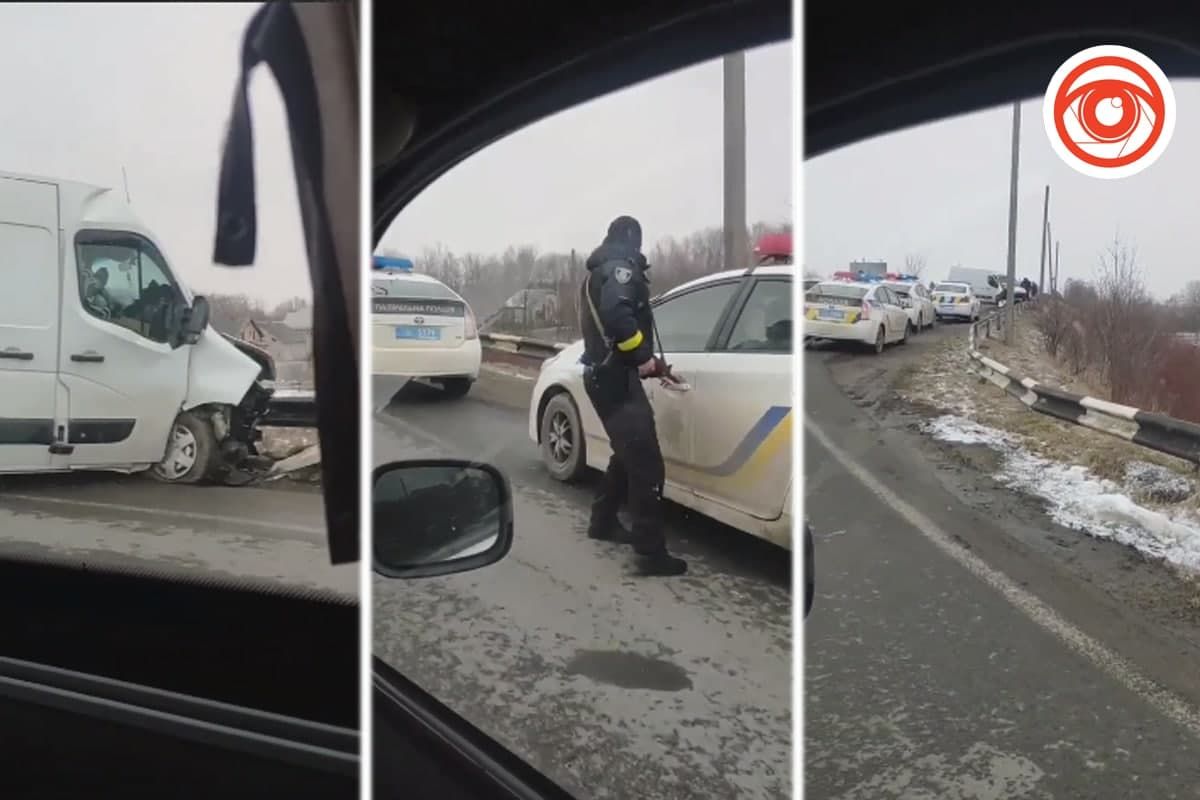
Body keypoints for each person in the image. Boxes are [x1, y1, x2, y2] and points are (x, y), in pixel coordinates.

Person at [578, 215, 687, 576]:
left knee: (627, 454)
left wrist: (644, 362)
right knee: (648, 466)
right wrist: (644, 358)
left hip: (603, 377)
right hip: (616, 380)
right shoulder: (621, 268)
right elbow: (617, 315)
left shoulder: (597, 271)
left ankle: (603, 522)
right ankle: (650, 552)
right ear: (634, 241)